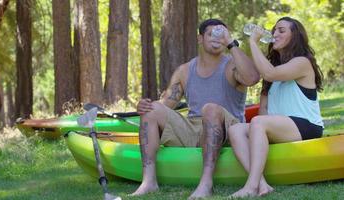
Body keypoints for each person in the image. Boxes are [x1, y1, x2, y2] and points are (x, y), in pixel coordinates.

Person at [130, 18, 259, 199]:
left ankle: (206, 184)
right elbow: (166, 103)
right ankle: (149, 182)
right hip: (193, 129)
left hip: (228, 129)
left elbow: (252, 78)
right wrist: (144, 106)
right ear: (200, 38)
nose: (217, 38)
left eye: (221, 34)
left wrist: (231, 43)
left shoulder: (232, 65)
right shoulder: (185, 70)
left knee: (211, 109)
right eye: (211, 33)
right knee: (151, 110)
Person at [228, 16, 324, 198]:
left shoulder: (302, 62)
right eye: (274, 30)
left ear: (295, 36)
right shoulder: (273, 69)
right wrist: (259, 130)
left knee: (258, 122)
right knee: (236, 130)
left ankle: (250, 186)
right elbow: (264, 111)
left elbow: (269, 73)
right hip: (281, 127)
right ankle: (262, 184)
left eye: (281, 30)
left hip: (307, 126)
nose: (274, 34)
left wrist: (253, 43)